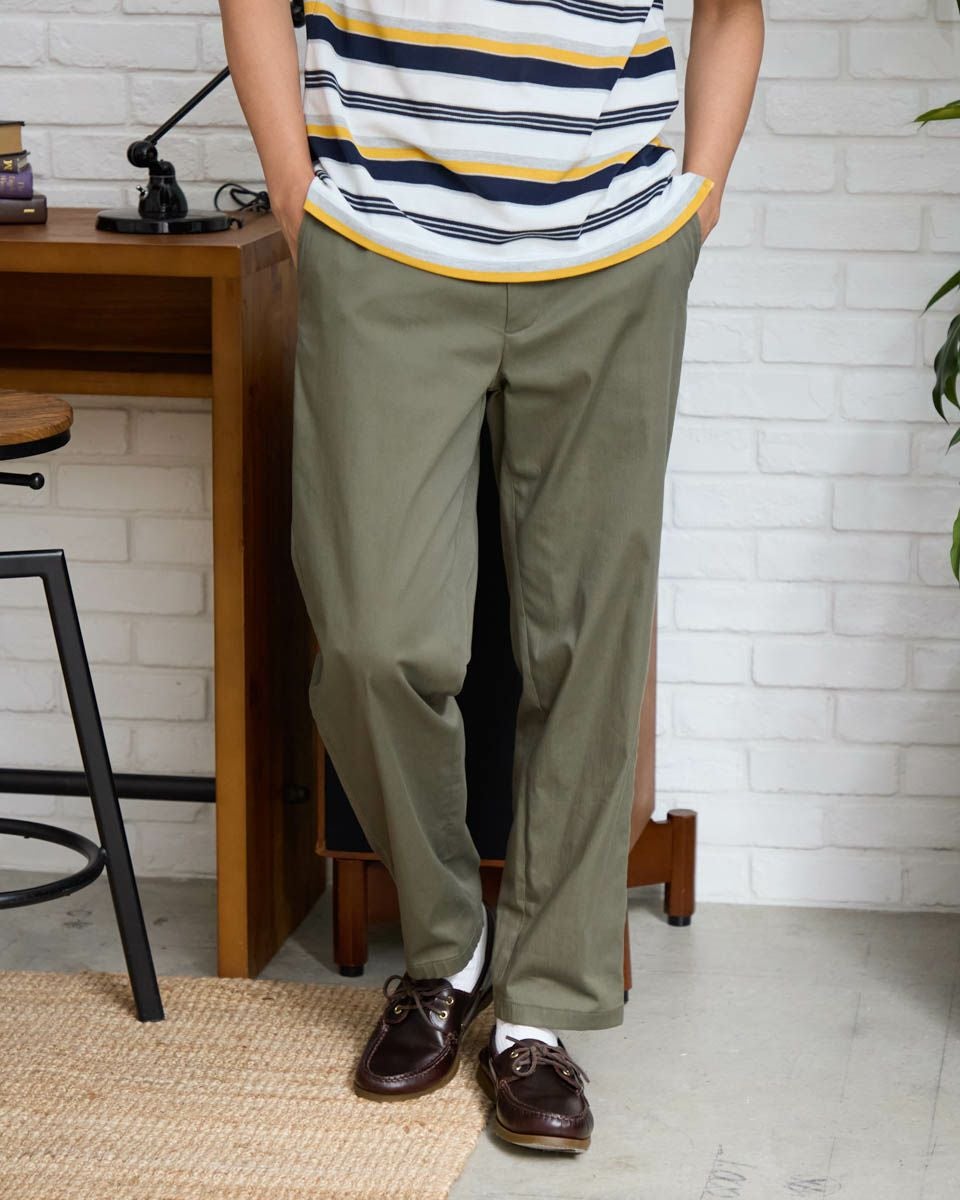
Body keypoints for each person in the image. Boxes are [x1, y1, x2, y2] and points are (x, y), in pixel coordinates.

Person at [219, 0, 763, 1156]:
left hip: (611, 254)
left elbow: (733, 8)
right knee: (370, 639)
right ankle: (448, 945)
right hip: (382, 241)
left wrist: (698, 199)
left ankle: (538, 1008)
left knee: (587, 642)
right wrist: (295, 193)